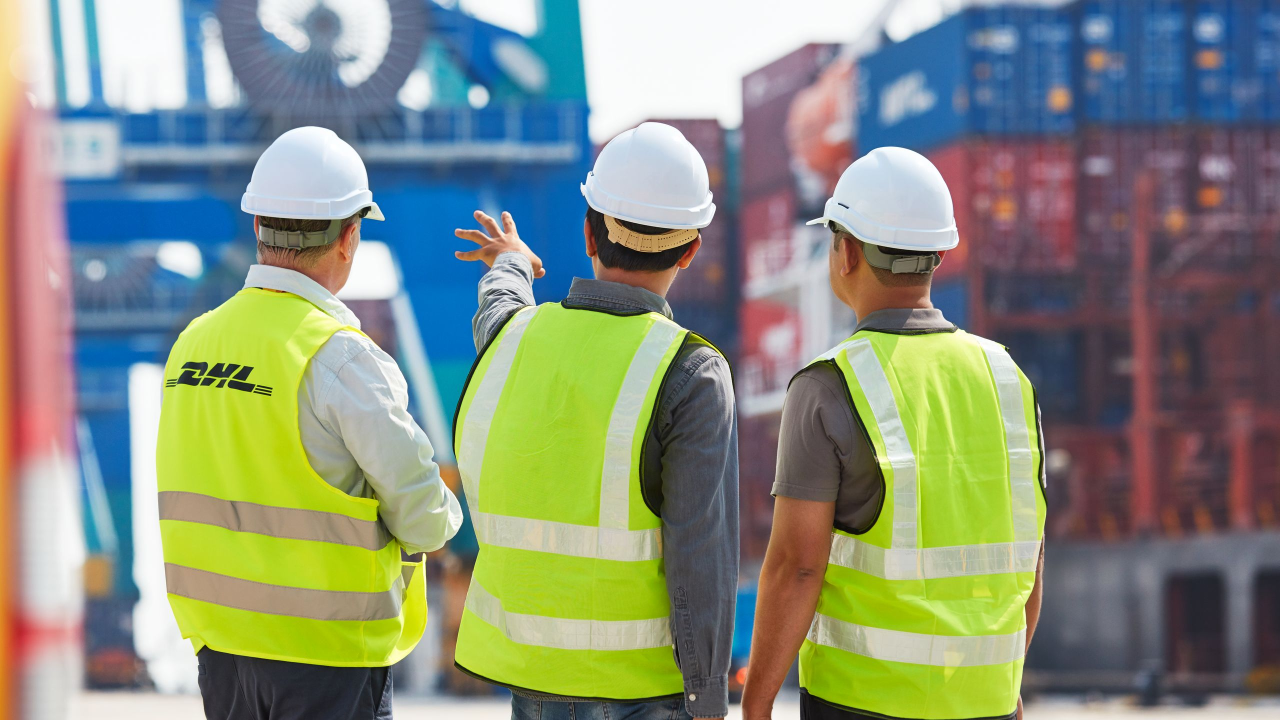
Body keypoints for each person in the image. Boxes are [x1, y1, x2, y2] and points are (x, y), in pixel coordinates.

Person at [156, 126, 463, 720]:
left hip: (222, 654)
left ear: (257, 225)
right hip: (327, 661)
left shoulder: (192, 344)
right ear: (349, 238)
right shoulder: (342, 358)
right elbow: (425, 520)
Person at [741, 147, 1047, 720]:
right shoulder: (1008, 378)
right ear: (939, 254)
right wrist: (1004, 685)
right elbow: (1028, 557)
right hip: (986, 703)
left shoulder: (828, 385)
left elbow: (796, 567)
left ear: (847, 253)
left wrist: (756, 705)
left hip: (861, 703)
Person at [450, 122, 739, 720]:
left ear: (588, 233)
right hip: (639, 691)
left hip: (530, 680)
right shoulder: (690, 371)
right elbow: (700, 554)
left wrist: (511, 261)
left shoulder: (513, 338)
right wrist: (709, 698)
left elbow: (497, 305)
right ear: (691, 251)